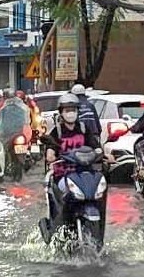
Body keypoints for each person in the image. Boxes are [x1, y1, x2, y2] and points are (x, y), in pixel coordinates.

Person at [41, 94, 102, 226]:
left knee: (100, 191)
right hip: (64, 174)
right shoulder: (56, 132)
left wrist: (103, 153)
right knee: (66, 197)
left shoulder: (84, 129)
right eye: (67, 110)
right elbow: (51, 150)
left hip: (85, 174)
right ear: (61, 113)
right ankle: (63, 225)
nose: (70, 113)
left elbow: (96, 146)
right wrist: (51, 156)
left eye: (73, 110)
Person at [0, 87, 32, 162]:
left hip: (9, 135)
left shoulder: (0, 107)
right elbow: (29, 121)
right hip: (21, 134)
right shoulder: (24, 106)